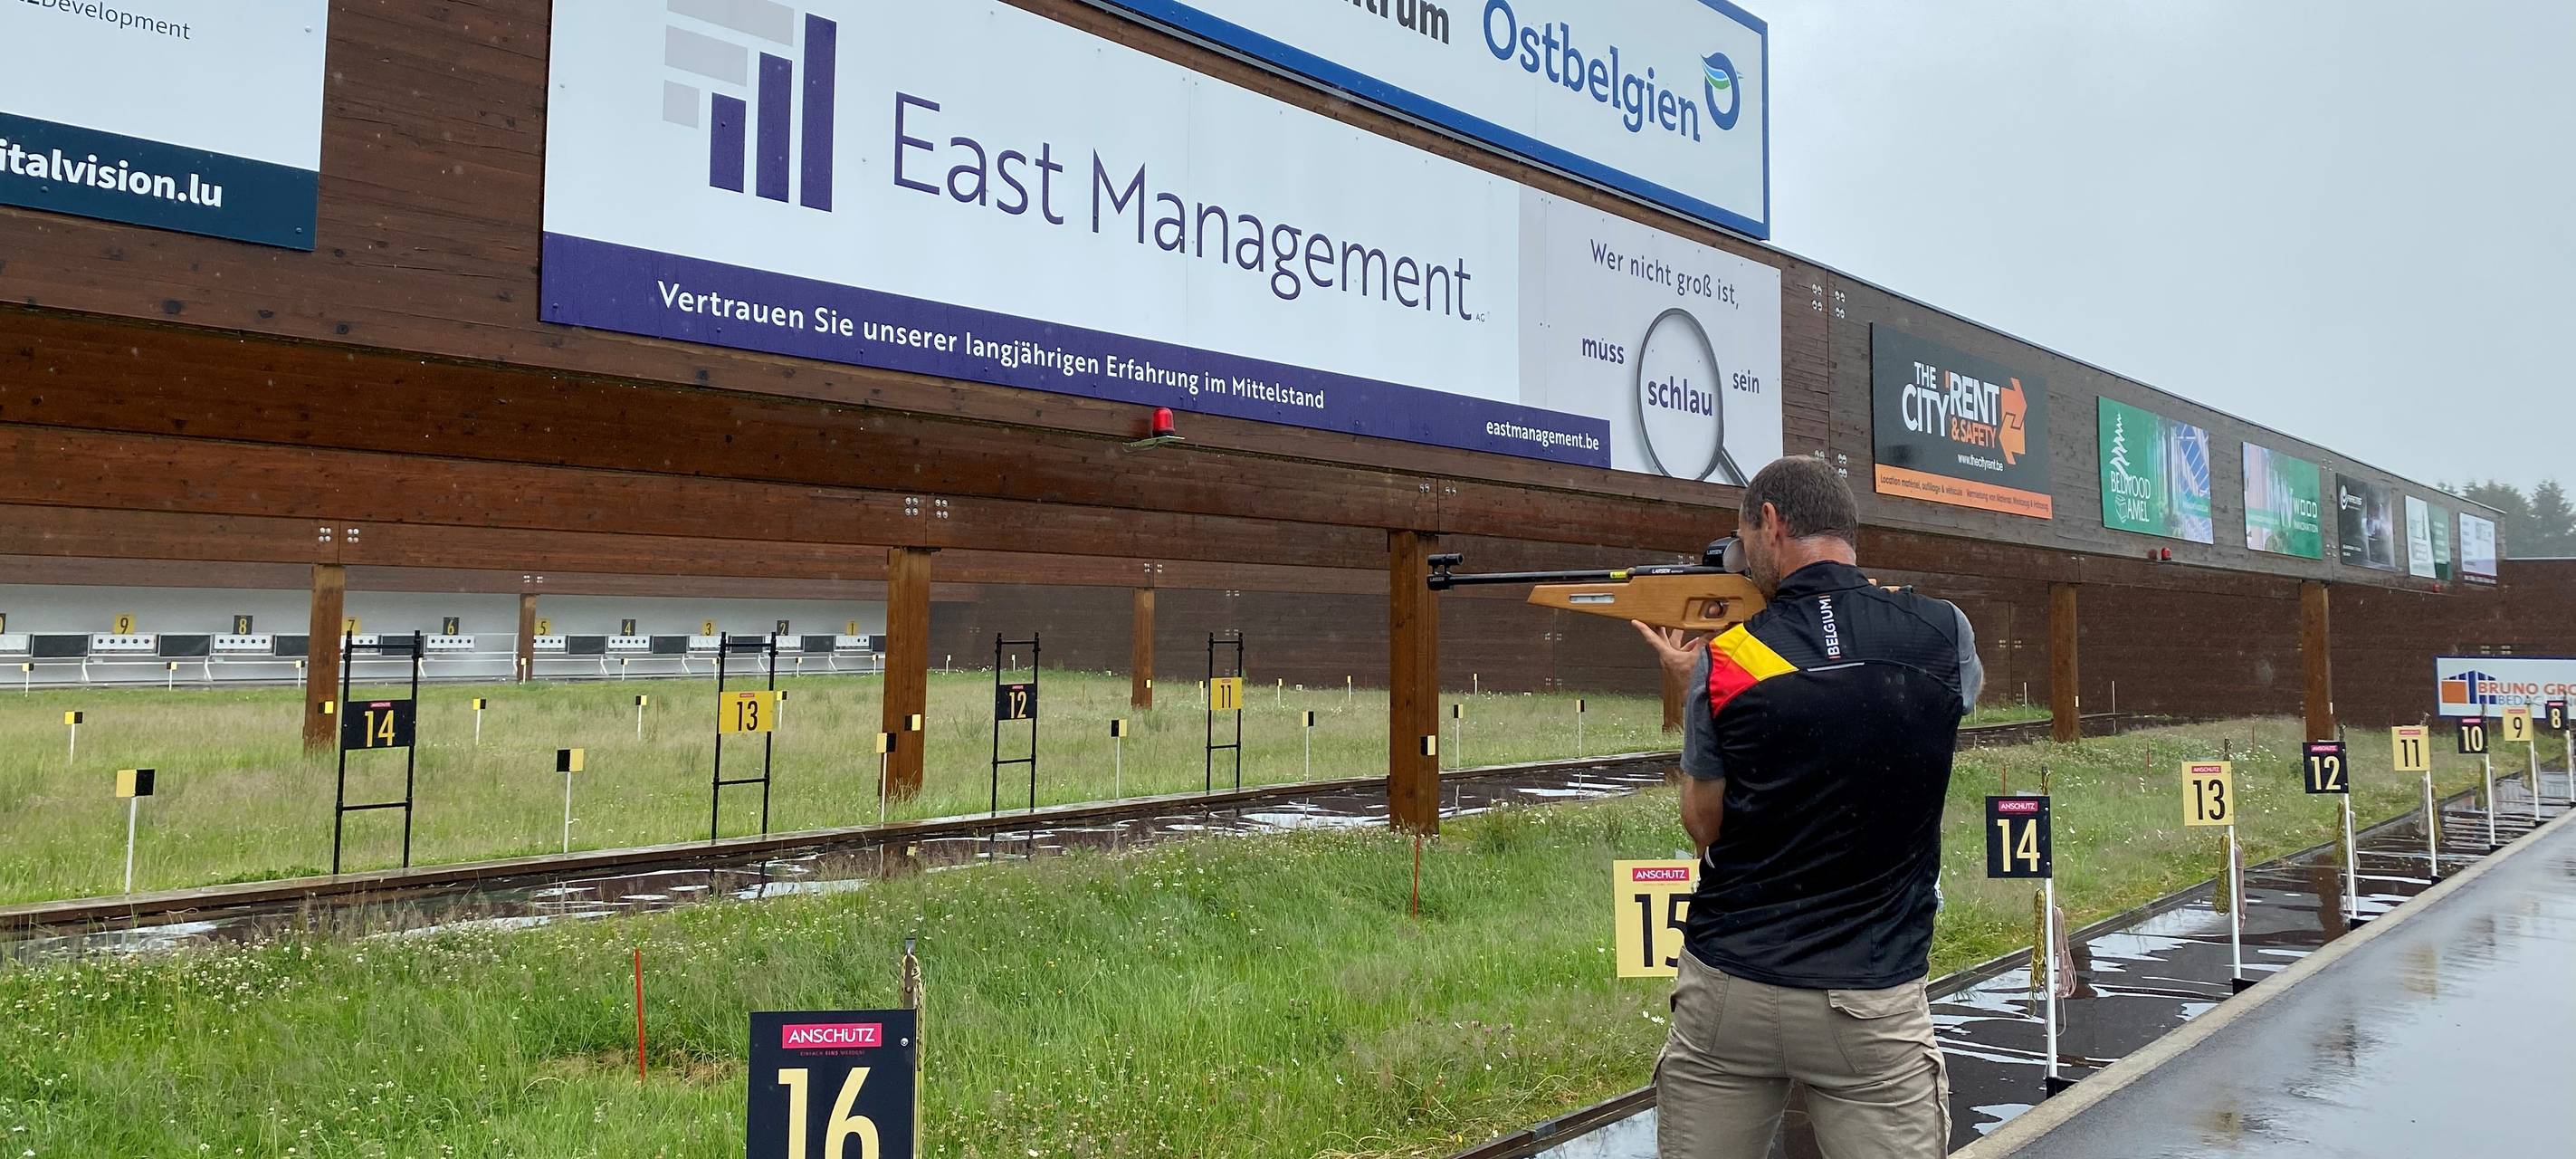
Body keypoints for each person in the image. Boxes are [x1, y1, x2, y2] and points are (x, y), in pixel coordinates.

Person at [1631, 455, 1982, 1158]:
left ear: (1771, 522)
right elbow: (1898, 710)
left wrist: (1700, 681)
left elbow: (1704, 826)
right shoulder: (1943, 635)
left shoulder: (1728, 661)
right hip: (1872, 998)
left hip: (1733, 988)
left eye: (1742, 545)